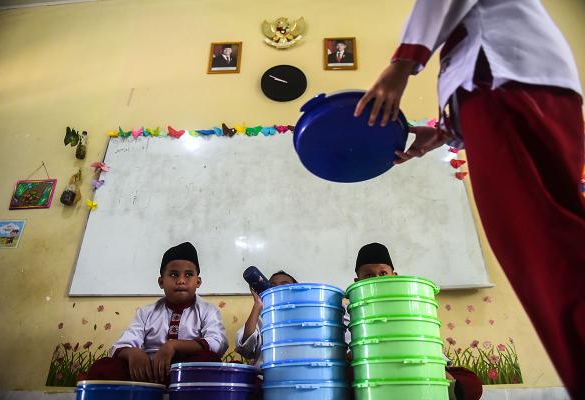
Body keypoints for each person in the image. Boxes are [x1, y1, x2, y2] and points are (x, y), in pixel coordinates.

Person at [353, 2, 584, 397]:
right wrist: (446, 129)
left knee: (541, 251)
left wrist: (401, 65)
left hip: (506, 83)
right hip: (526, 83)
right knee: (555, 237)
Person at [350, 243, 483, 400]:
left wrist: (437, 367)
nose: (377, 279)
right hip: (375, 368)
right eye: (369, 276)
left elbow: (428, 345)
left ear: (395, 276)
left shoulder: (410, 306)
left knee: (470, 381)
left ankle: (434, 386)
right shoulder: (353, 312)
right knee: (346, 375)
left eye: (383, 273)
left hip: (415, 364)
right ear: (357, 281)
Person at [84, 242, 228, 383]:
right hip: (148, 373)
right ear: (161, 282)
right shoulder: (146, 312)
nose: (181, 281)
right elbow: (122, 344)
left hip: (186, 371)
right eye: (173, 275)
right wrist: (133, 353)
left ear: (198, 282)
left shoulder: (208, 310)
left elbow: (217, 343)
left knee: (208, 360)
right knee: (103, 367)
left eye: (189, 274)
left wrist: (173, 345)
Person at [234, 270, 298, 366]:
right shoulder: (262, 318)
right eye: (272, 286)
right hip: (265, 376)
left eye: (284, 285)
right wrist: (257, 304)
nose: (277, 289)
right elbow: (245, 349)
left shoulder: (303, 316)